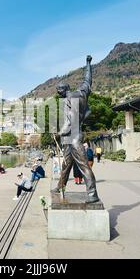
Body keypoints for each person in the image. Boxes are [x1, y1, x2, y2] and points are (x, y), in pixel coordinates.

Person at [51, 55, 101, 204]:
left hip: (73, 136)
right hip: (70, 137)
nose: (57, 91)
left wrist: (60, 133)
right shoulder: (81, 92)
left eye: (58, 89)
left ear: (64, 89)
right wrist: (88, 64)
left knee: (84, 166)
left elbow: (70, 120)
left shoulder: (69, 99)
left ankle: (92, 194)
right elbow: (87, 80)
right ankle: (60, 186)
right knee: (66, 165)